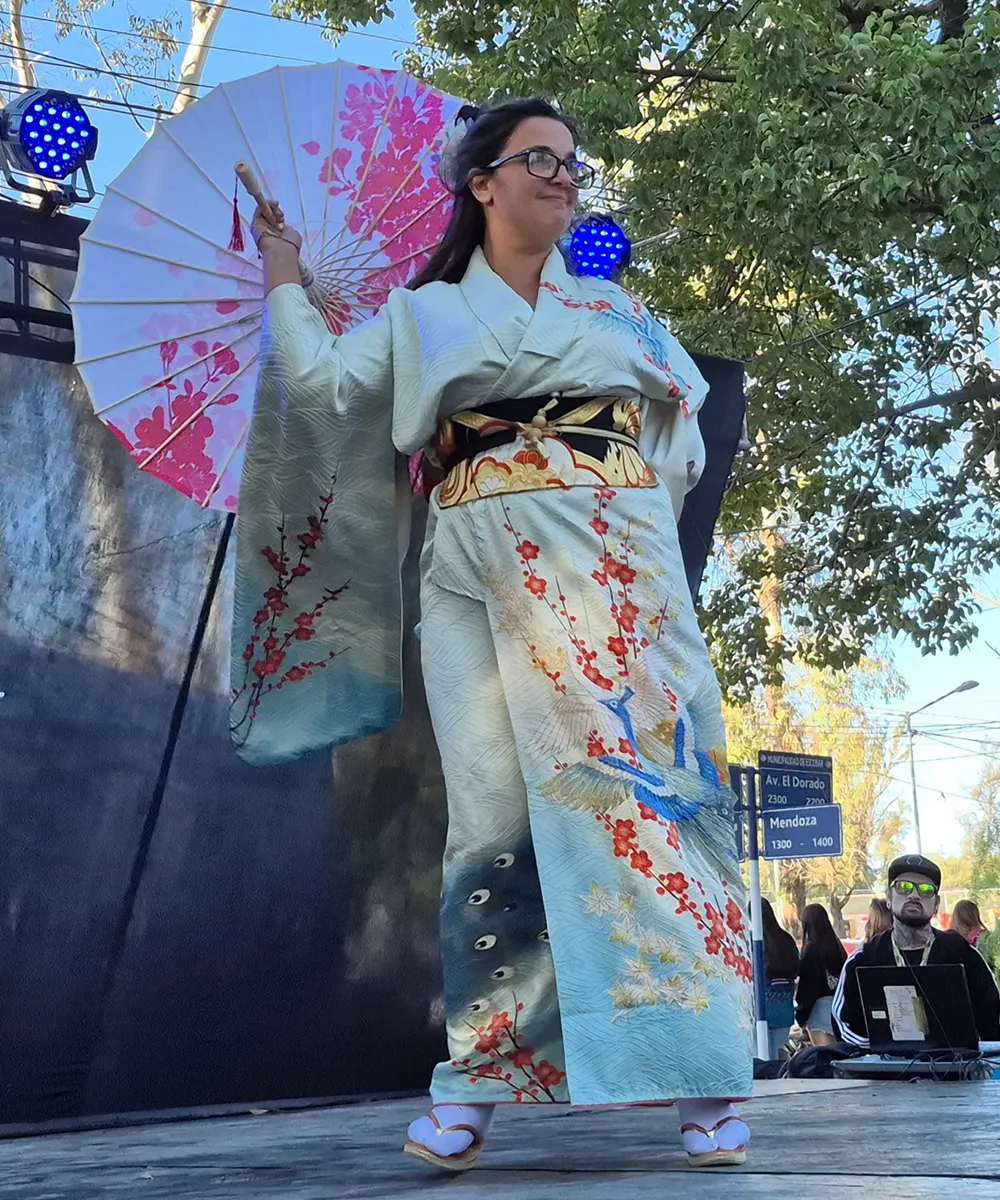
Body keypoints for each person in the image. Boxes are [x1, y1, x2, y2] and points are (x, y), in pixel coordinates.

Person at [238, 98, 754, 1171]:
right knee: (489, 812)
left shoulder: (612, 308)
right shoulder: (422, 314)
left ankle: (699, 1069)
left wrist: (613, 512)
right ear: (482, 182)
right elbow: (323, 389)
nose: (564, 176)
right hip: (472, 560)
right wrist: (284, 273)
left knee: (645, 787)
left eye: (572, 162)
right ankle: (483, 1072)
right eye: (540, 159)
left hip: (608, 557)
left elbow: (680, 432)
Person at [833, 854, 1000, 1046]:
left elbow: (993, 1020)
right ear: (889, 898)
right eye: (903, 887)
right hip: (884, 1064)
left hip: (956, 1064)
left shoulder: (963, 954)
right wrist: (882, 1050)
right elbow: (842, 1025)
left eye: (926, 890)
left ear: (936, 904)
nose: (914, 895)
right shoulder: (865, 958)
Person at [795, 903, 847, 1046]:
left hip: (819, 1009)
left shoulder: (811, 949)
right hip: (839, 1007)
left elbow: (808, 987)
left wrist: (801, 1016)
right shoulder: (837, 946)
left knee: (823, 1054)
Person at [760, 899, 800, 1059]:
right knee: (779, 1053)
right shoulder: (786, 939)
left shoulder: (754, 940)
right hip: (784, 1003)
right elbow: (796, 968)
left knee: (762, 1055)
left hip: (762, 1005)